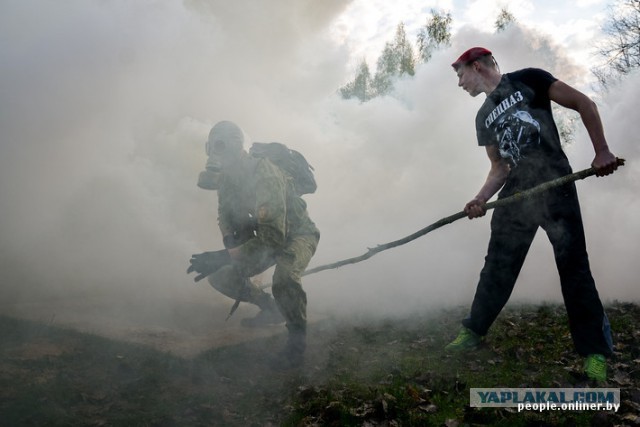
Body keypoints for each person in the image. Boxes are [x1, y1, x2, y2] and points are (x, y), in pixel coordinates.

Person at [446, 47, 619, 382]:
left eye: (460, 74)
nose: (459, 83)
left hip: (556, 187)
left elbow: (585, 104)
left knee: (574, 269)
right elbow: (499, 168)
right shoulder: (483, 116)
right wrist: (479, 198)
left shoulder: (530, 81)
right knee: (497, 266)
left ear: (476, 66)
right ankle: (473, 331)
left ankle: (594, 353)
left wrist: (601, 150)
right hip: (516, 197)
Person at [187, 120, 320, 369]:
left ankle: (296, 341)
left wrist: (223, 255)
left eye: (222, 146)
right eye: (213, 147)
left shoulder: (265, 173)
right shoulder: (226, 178)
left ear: (238, 147)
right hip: (265, 239)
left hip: (297, 235)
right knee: (221, 277)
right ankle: (270, 308)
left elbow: (274, 238)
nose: (217, 154)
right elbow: (224, 214)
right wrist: (230, 241)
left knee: (285, 279)